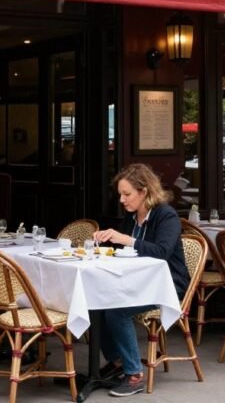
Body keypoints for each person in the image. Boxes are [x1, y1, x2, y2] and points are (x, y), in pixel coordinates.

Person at [92, 163, 189, 397]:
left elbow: (162, 252)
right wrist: (105, 239)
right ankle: (118, 362)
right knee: (95, 301)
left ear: (144, 191)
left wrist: (125, 240)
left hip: (166, 285)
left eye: (127, 194)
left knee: (116, 310)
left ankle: (134, 375)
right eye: (120, 195)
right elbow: (124, 249)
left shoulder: (166, 215)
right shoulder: (132, 216)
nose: (122, 200)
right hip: (136, 283)